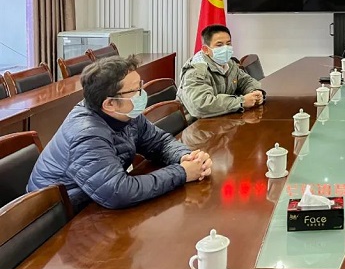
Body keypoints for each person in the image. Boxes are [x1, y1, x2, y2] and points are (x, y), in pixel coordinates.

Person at [27, 56, 211, 213]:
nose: (142, 94)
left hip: (96, 202)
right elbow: (119, 191)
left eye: (141, 86)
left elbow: (159, 142)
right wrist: (182, 173)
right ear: (110, 103)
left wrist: (186, 157)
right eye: (136, 90)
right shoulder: (86, 135)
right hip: (58, 219)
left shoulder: (125, 113)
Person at [177, 24, 265, 118]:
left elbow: (246, 81)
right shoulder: (195, 71)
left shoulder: (229, 64)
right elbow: (200, 105)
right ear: (206, 49)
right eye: (219, 45)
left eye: (228, 44)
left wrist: (255, 92)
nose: (225, 48)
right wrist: (241, 102)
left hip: (222, 117)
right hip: (197, 123)